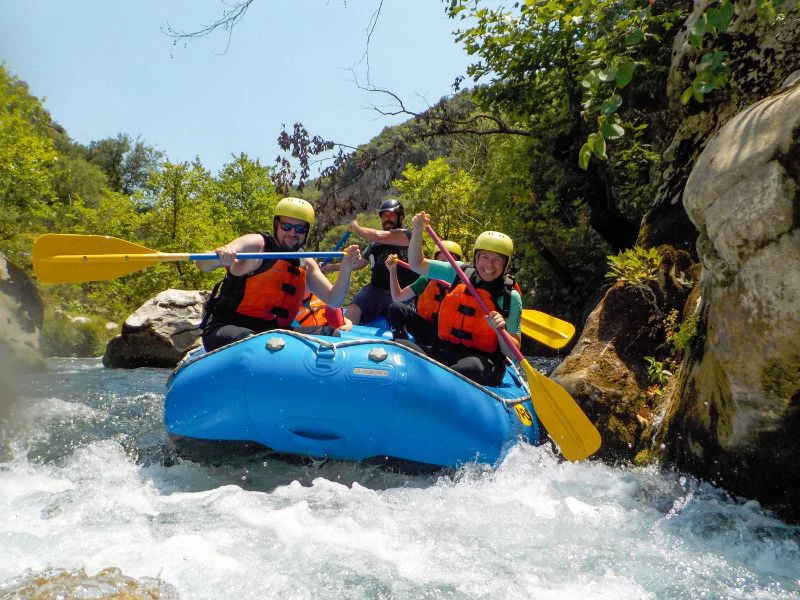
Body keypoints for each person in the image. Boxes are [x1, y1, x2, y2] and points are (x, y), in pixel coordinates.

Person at [197, 197, 361, 351]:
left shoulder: (305, 262)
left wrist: (346, 269)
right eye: (286, 226)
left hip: (274, 332)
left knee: (328, 334)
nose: (292, 233)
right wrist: (220, 255)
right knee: (254, 341)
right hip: (226, 328)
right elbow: (203, 265)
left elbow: (334, 300)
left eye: (299, 229)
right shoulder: (256, 245)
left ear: (306, 232)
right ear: (276, 225)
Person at [406, 212, 522, 386]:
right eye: (485, 257)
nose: (490, 265)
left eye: (497, 260)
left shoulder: (510, 297)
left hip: (484, 361)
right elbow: (416, 264)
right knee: (404, 348)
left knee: (469, 368)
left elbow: (512, 353)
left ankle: (439, 384)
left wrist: (500, 331)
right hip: (447, 350)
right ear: (476, 257)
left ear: (505, 264)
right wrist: (416, 230)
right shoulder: (459, 272)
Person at [324, 198, 417, 325]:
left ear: (401, 217)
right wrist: (327, 267)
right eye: (384, 216)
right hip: (375, 290)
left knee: (402, 317)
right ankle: (344, 333)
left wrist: (357, 227)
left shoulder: (406, 236)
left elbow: (379, 236)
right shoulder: (375, 243)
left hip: (401, 291)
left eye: (391, 215)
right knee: (354, 307)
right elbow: (357, 264)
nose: (387, 219)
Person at [384, 239, 464, 347]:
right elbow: (397, 297)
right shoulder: (426, 280)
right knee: (396, 308)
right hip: (427, 330)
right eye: (441, 261)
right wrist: (392, 271)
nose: (445, 266)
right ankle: (401, 341)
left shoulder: (464, 284)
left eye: (449, 262)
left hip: (450, 337)